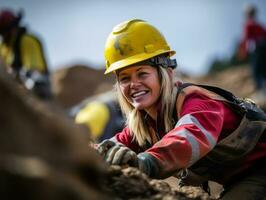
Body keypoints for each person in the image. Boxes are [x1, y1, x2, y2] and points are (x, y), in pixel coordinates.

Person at [96, 19, 266, 199]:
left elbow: (187, 137)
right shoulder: (146, 123)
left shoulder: (197, 102)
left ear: (165, 73)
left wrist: (143, 163)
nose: (134, 84)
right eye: (124, 78)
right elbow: (111, 146)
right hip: (237, 179)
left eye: (142, 73)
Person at [0, 8, 52, 99]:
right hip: (15, 84)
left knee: (36, 80)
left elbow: (36, 71)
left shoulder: (27, 41)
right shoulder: (4, 47)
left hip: (33, 84)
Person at [238, 4, 266, 102]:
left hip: (257, 50)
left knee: (256, 71)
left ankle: (261, 94)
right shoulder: (260, 25)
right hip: (264, 49)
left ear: (247, 14)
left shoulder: (248, 24)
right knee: (263, 71)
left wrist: (244, 51)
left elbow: (246, 38)